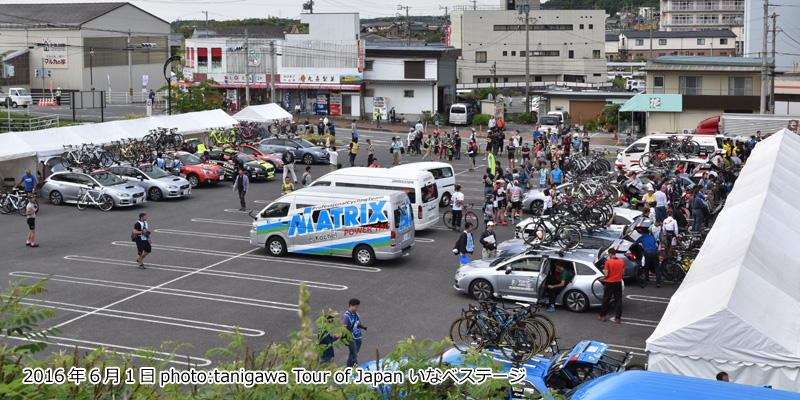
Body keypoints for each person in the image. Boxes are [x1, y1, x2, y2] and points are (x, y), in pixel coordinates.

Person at [598, 248, 624, 323]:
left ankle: (602, 316)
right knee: (618, 300)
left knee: (606, 299)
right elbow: (623, 273)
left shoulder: (608, 262)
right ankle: (618, 318)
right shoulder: (622, 261)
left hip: (609, 283)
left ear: (610, 254)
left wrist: (604, 278)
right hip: (618, 282)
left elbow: (606, 274)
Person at [635, 220, 661, 287]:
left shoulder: (642, 237)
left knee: (647, 267)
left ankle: (647, 281)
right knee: (657, 267)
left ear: (643, 232)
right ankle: (658, 282)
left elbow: (634, 244)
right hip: (655, 252)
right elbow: (657, 245)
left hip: (648, 253)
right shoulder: (652, 237)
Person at [342, 298, 365, 368]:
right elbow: (344, 328)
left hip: (357, 336)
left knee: (353, 354)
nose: (357, 308)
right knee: (354, 355)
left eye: (357, 306)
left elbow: (357, 323)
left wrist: (360, 331)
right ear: (350, 306)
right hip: (351, 338)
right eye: (355, 307)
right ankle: (355, 369)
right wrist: (349, 335)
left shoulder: (356, 314)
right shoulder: (346, 316)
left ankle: (347, 368)